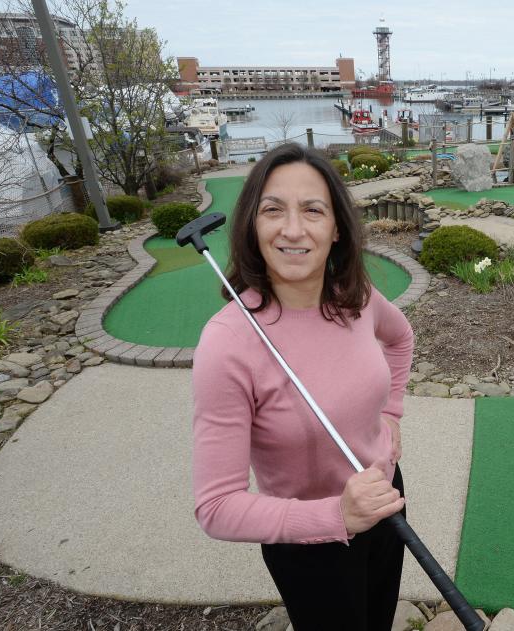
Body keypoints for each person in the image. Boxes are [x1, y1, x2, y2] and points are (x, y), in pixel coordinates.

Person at [191, 143, 414, 630]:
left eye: (313, 210)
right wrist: (336, 517)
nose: (293, 229)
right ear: (254, 224)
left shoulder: (356, 298)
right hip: (310, 546)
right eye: (273, 210)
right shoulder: (227, 343)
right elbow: (216, 507)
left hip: (385, 499)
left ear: (336, 229)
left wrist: (392, 412)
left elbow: (400, 339)